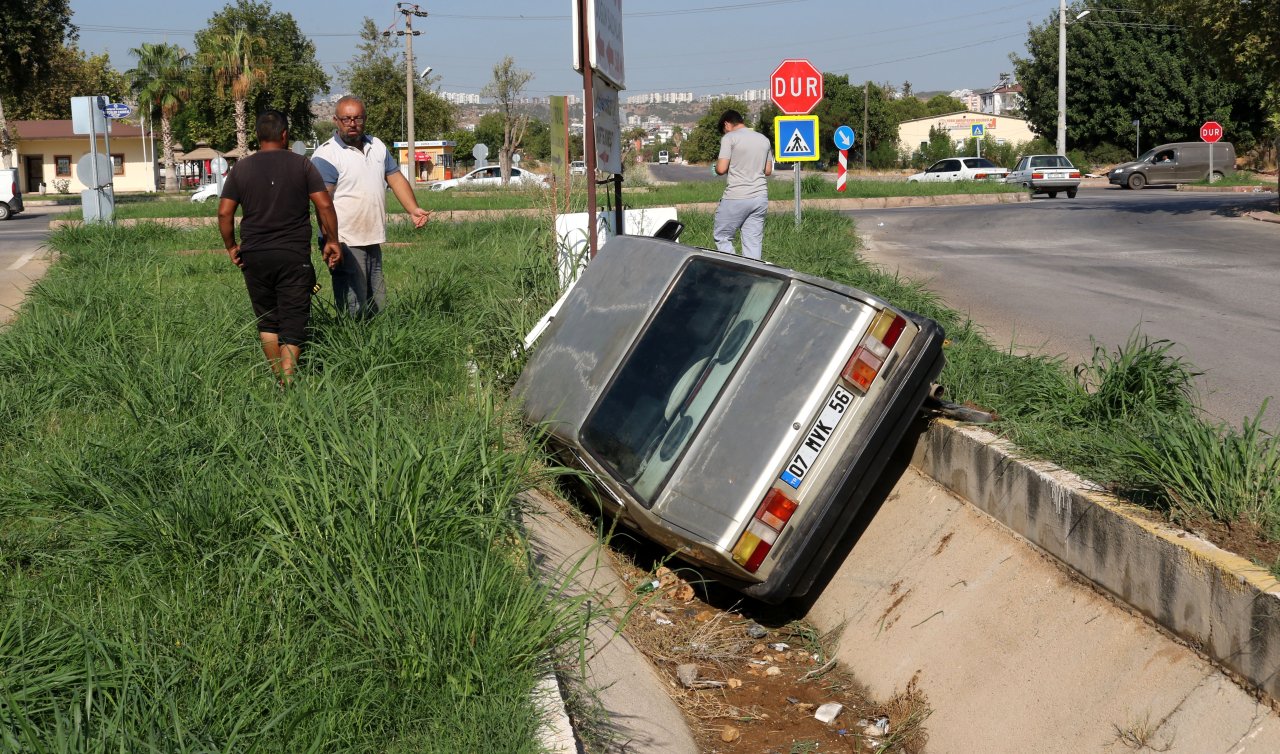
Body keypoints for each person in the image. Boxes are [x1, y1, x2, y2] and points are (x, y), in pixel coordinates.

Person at [218, 110, 342, 383]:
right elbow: (324, 205)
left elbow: (225, 213)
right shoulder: (302, 165)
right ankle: (288, 383)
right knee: (294, 321)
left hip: (254, 255)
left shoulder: (241, 168)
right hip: (293, 255)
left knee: (268, 321)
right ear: (285, 135)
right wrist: (332, 241)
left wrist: (231, 247)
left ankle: (279, 379)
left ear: (258, 136)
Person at [311, 95, 430, 318]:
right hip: (343, 240)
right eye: (346, 119)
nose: (352, 123)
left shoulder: (377, 146)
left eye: (357, 118)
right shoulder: (326, 155)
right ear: (336, 120)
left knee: (377, 301)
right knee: (353, 305)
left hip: (371, 236)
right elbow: (322, 203)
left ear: (365, 119)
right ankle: (351, 346)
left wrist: (413, 209)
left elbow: (394, 178)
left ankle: (375, 344)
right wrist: (330, 239)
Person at [712, 109, 773, 260]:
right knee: (752, 242)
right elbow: (768, 170)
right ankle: (753, 274)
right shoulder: (763, 139)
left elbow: (721, 169)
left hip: (736, 196)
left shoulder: (730, 138)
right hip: (760, 197)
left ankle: (733, 270)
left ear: (726, 124)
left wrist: (716, 167)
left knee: (722, 236)